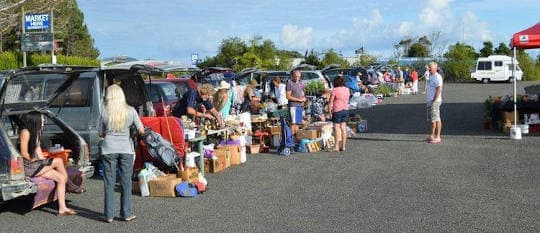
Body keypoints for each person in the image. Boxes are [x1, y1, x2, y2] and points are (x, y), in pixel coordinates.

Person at [98, 84, 145, 223]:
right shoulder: (131, 111)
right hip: (126, 149)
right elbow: (141, 130)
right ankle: (126, 213)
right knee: (126, 182)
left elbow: (100, 132)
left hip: (108, 149)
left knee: (109, 183)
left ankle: (109, 215)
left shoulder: (104, 111)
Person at [19, 111, 77, 216]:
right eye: (42, 119)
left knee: (60, 178)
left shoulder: (36, 132)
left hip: (36, 165)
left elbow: (38, 150)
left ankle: (62, 209)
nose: (44, 121)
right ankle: (70, 185)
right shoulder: (25, 132)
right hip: (29, 166)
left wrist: (43, 162)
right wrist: (34, 161)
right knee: (58, 161)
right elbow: (24, 152)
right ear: (35, 120)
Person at [328, 76, 350, 152]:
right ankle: (343, 146)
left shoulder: (334, 90)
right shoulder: (347, 89)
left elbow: (330, 102)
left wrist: (329, 112)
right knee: (343, 128)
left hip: (337, 110)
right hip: (345, 109)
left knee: (336, 128)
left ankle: (336, 146)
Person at [426, 62, 443, 144]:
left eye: (430, 68)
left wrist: (434, 100)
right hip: (430, 101)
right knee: (433, 119)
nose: (429, 69)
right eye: (429, 67)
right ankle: (432, 135)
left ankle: (438, 137)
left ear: (435, 68)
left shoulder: (437, 77)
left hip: (435, 101)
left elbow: (439, 89)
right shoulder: (430, 76)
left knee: (435, 119)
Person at [286, 70, 307, 137]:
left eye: (299, 76)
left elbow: (303, 93)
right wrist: (299, 100)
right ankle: (292, 141)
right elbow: (288, 96)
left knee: (298, 123)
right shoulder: (290, 83)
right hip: (293, 106)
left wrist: (304, 98)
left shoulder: (301, 83)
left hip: (300, 106)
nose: (297, 78)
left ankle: (296, 140)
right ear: (293, 76)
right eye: (296, 76)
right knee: (293, 124)